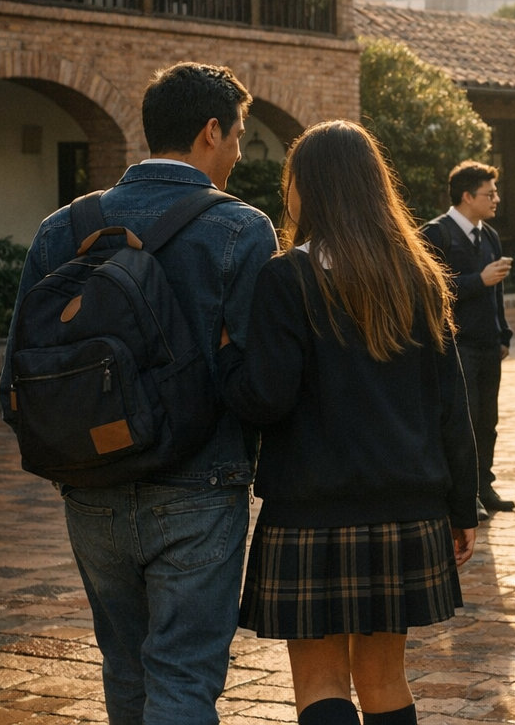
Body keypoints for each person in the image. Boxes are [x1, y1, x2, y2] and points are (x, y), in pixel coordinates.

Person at [0, 63, 277, 725]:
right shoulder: (242, 229)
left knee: (126, 669)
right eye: (238, 135)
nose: (238, 152)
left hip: (89, 485)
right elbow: (258, 376)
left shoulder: (61, 228)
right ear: (212, 131)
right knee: (181, 676)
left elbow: (20, 371)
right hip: (199, 484)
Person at [217, 121, 479, 725]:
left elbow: (265, 399)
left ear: (307, 188)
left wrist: (230, 356)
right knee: (387, 681)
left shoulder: (288, 277)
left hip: (311, 511)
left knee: (319, 681)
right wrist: (461, 508)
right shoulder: (417, 275)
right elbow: (450, 407)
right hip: (406, 508)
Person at [422, 161, 514, 520]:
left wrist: (503, 333)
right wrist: (479, 280)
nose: (496, 199)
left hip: (488, 345)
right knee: (462, 421)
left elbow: (498, 289)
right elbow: (428, 290)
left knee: (487, 421)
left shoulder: (488, 234)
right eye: (489, 193)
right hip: (454, 346)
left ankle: (484, 486)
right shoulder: (436, 234)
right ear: (466, 196)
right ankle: (463, 494)